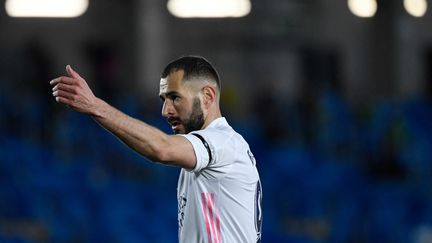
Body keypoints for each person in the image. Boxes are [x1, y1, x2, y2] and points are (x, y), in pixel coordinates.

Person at [50, 56, 262, 243]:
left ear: (207, 96)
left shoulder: (222, 141)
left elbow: (161, 148)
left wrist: (95, 106)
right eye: (164, 100)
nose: (165, 110)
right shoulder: (212, 152)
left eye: (175, 97)